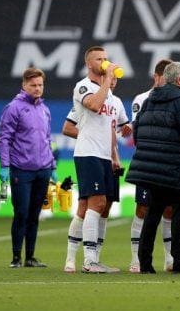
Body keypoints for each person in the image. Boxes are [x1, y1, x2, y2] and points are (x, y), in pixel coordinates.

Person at [126, 62, 180, 274]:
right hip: (175, 168)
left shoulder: (148, 100)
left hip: (151, 168)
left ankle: (145, 262)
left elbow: (137, 133)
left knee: (153, 213)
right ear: (179, 80)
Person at [62, 74, 129, 273]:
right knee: (88, 205)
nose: (112, 81)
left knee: (103, 208)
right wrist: (90, 137)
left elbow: (117, 130)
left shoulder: (116, 103)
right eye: (109, 77)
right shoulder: (89, 98)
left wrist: (118, 150)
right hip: (91, 154)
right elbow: (67, 127)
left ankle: (95, 259)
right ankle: (75, 258)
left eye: (115, 78)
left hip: (109, 159)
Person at [68, 45, 120, 273]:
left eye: (106, 59)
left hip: (104, 156)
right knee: (96, 203)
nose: (105, 62)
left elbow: (112, 126)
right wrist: (107, 80)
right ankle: (89, 261)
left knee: (92, 205)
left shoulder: (110, 94)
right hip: (88, 152)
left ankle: (90, 258)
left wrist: (115, 153)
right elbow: (94, 105)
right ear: (89, 64)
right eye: (99, 59)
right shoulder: (83, 86)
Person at [0, 68, 56, 268]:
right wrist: (4, 165)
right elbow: (4, 139)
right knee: (21, 213)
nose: (37, 88)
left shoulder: (44, 109)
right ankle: (16, 258)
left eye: (40, 85)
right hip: (21, 170)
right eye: (33, 85)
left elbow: (47, 140)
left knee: (34, 214)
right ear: (24, 85)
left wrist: (52, 166)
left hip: (43, 170)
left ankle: (30, 257)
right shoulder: (13, 108)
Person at [128, 59, 175, 273]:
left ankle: (169, 260)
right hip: (148, 163)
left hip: (169, 164)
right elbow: (138, 134)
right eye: (167, 77)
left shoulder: (177, 99)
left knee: (168, 210)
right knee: (142, 209)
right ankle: (136, 260)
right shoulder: (141, 99)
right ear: (157, 76)